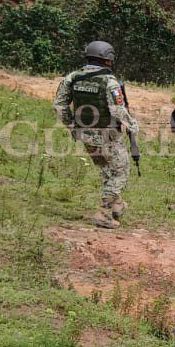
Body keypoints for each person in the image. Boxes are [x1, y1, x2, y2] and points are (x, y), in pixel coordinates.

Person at [53, 40, 138, 230]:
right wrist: (133, 125)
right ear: (108, 59)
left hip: (85, 134)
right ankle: (104, 212)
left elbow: (59, 105)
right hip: (109, 134)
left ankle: (116, 204)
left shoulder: (72, 77)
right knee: (120, 172)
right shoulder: (109, 81)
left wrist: (72, 126)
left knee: (106, 168)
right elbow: (118, 110)